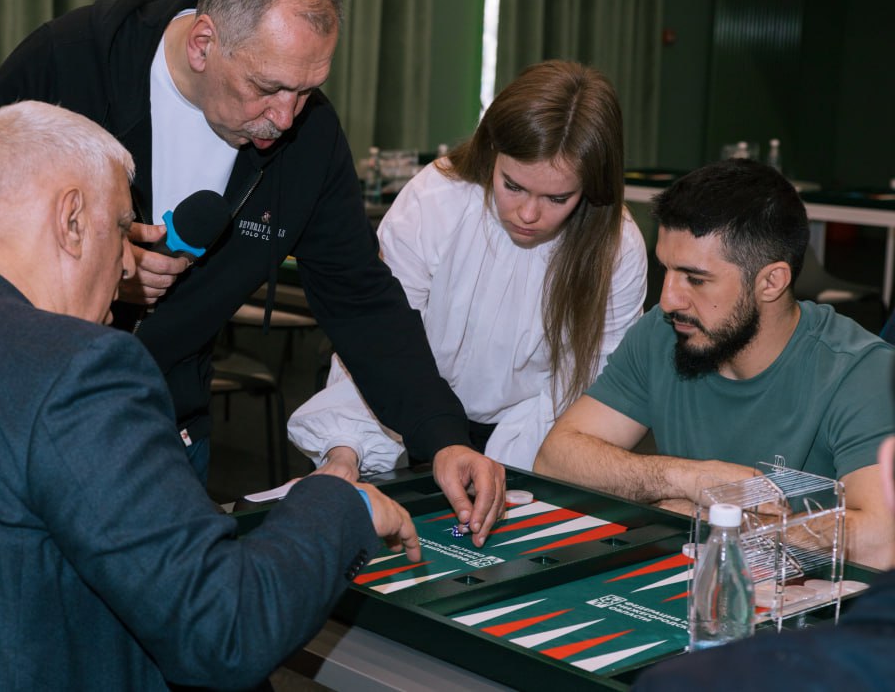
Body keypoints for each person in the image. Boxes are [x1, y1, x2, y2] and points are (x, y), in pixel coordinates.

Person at [0, 101, 421, 690]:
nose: (126, 274)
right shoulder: (77, 369)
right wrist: (339, 501)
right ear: (72, 219)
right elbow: (224, 629)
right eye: (121, 233)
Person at [0, 0, 504, 541]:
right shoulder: (77, 60)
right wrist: (104, 259)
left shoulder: (310, 137)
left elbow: (361, 299)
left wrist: (443, 437)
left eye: (306, 90)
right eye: (268, 88)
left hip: (164, 423)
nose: (285, 117)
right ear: (203, 44)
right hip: (24, 411)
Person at [288, 60, 648, 476]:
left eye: (557, 198)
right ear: (491, 152)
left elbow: (591, 394)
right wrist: (345, 450)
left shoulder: (616, 247)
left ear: (591, 188)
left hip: (533, 442)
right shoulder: (438, 197)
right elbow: (379, 339)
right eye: (512, 185)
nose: (528, 213)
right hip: (407, 415)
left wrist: (509, 470)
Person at [535, 159, 895, 569]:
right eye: (666, 269)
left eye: (695, 279)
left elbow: (883, 540)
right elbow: (556, 458)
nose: (669, 299)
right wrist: (685, 480)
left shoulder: (861, 373)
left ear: (771, 282)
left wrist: (721, 525)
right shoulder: (663, 333)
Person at [633, 429, 895, 689]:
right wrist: (676, 476)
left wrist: (693, 510)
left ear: (888, 463)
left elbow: (877, 543)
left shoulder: (680, 682)